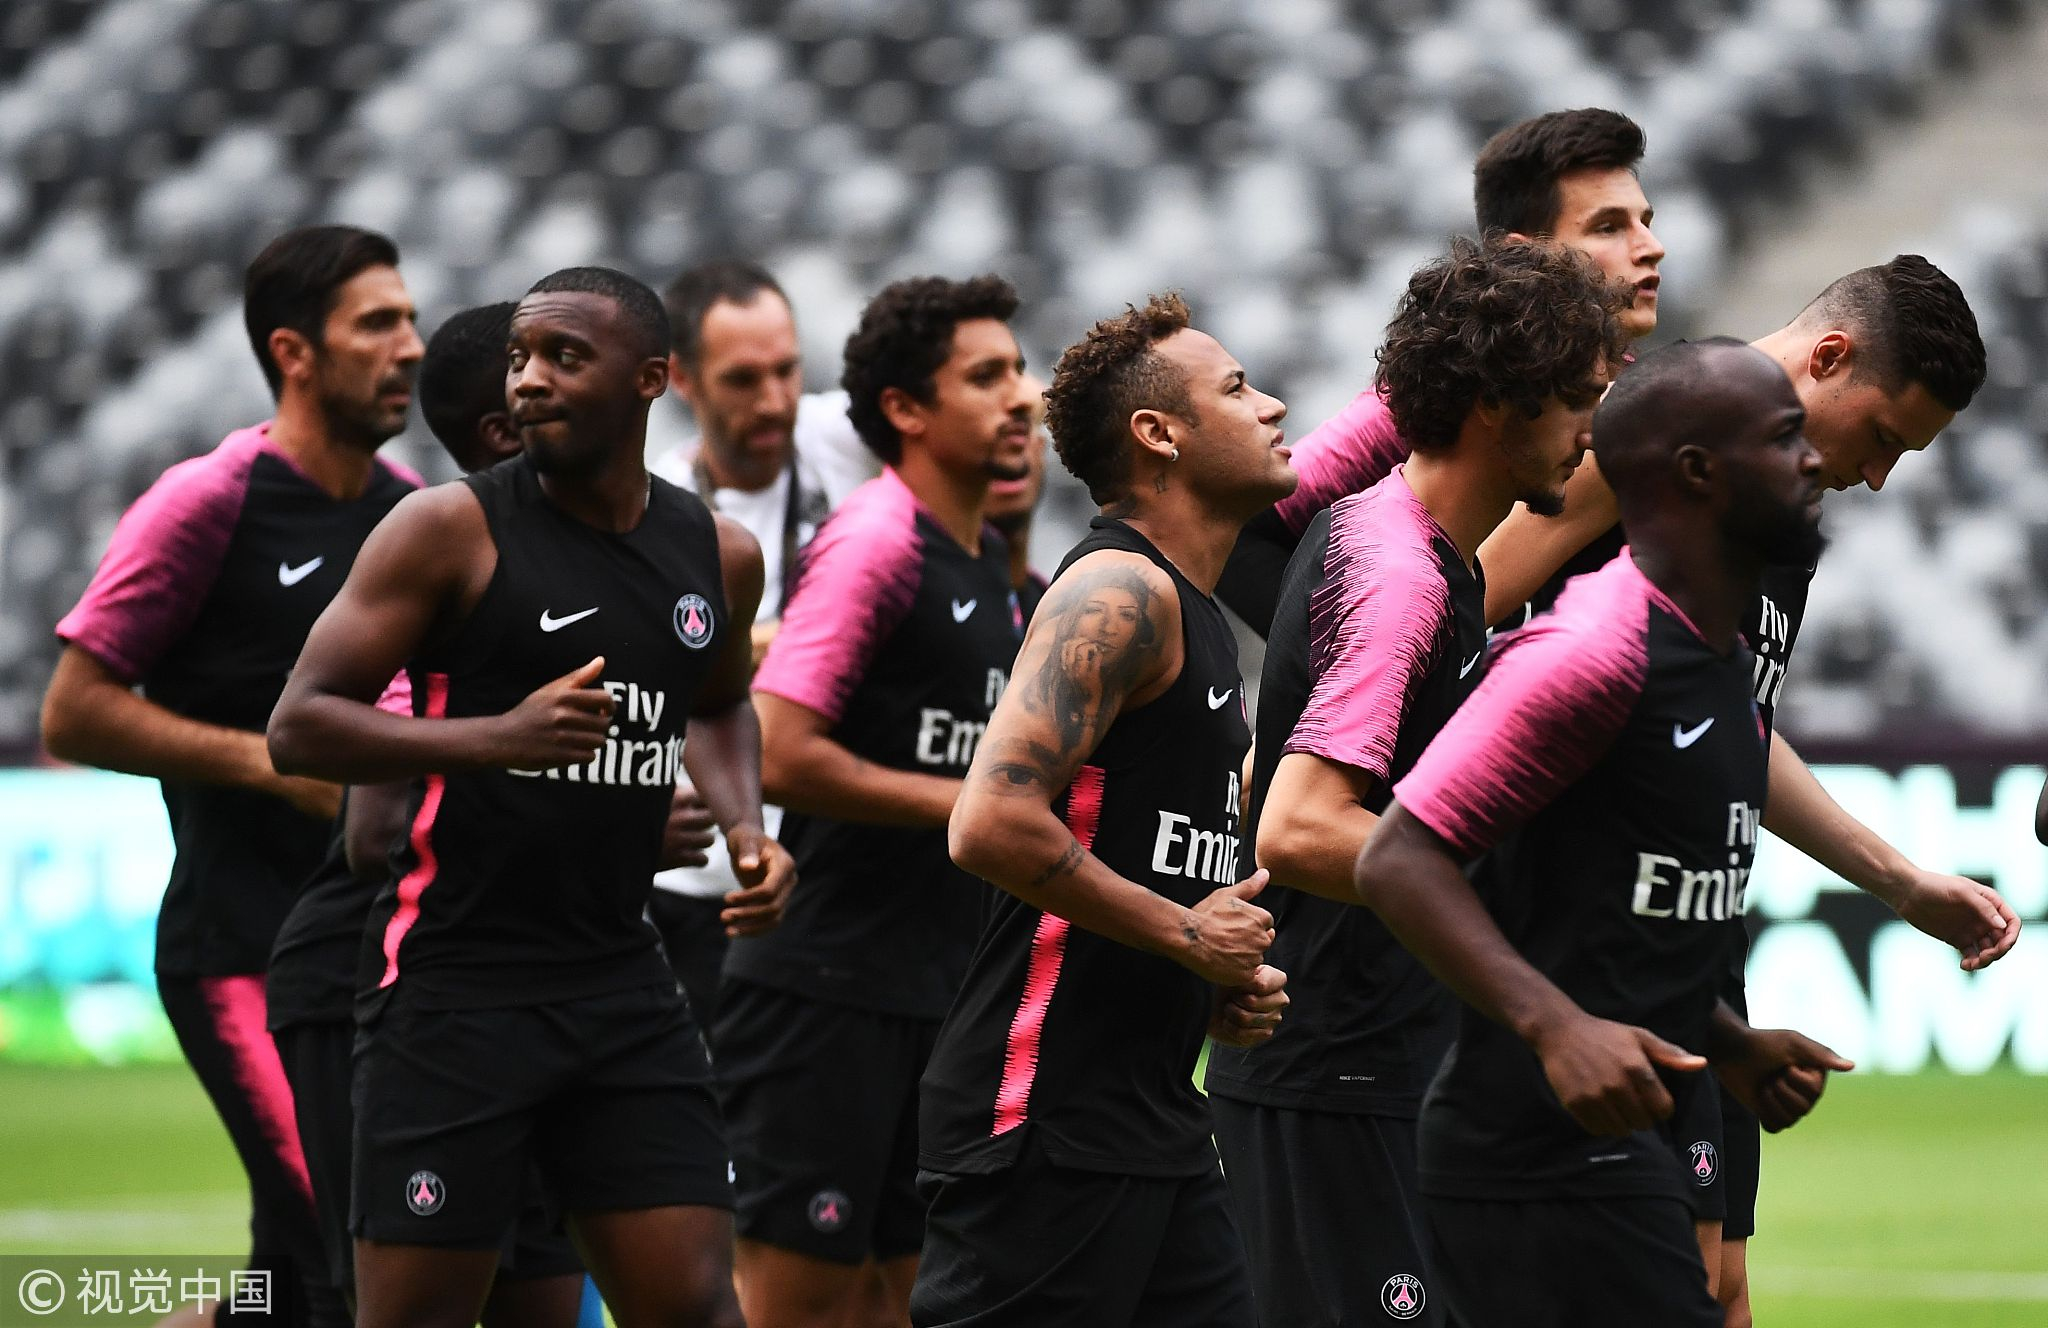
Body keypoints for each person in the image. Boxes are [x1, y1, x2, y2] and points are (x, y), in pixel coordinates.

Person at [1468, 256, 2017, 1325]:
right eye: (1882, 439)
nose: (1874, 477)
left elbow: (1730, 727)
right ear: (1826, 356)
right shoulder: (1645, 438)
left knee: (1720, 1286)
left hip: (1692, 945)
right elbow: (1466, 613)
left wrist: (1898, 880)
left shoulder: (1772, 499)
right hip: (1580, 944)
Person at [265, 267, 793, 1328]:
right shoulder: (448, 530)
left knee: (698, 1307)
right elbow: (300, 722)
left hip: (620, 983)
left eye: (563, 357)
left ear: (650, 380)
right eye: (518, 357)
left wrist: (745, 828)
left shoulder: (716, 554)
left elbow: (722, 702)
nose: (529, 381)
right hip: (454, 987)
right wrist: (494, 738)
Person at [1353, 339, 1857, 1327]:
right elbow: (1396, 855)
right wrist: (1554, 1027)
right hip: (1525, 1161)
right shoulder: (1594, 647)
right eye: (1782, 437)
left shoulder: (1716, 654)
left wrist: (1726, 1044)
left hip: (1623, 1137)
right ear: (1696, 473)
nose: (1811, 463)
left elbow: (1580, 915)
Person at [1205, 238, 1626, 1328]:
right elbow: (1296, 828)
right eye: (1576, 401)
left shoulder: (1418, 549)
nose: (1591, 437)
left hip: (1369, 1062)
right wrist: (1496, 897)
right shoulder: (1396, 574)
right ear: (1496, 403)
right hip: (1333, 1072)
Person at [42, 224, 425, 1328]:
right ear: (293, 351)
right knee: (351, 1254)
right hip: (238, 956)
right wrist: (274, 765)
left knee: (297, 1283)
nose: (408, 344)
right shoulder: (207, 500)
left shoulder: (408, 512)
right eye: (377, 322)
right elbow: (77, 709)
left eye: (408, 317)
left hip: (372, 958)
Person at [913, 293, 1297, 1327]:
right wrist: (1186, 933)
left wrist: (1203, 975)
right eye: (1233, 388)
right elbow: (987, 821)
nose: (1269, 405)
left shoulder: (1198, 616)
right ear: (1157, 432)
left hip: (1152, 1114)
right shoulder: (1118, 592)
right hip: (1041, 1118)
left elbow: (1131, 845)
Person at [266, 301, 596, 1328]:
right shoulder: (448, 567)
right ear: (505, 428)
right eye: (544, 366)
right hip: (372, 973)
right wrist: (508, 745)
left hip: (512, 981)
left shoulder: (584, 572)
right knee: (346, 1292)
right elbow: (374, 832)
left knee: (538, 1281)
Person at [718, 274, 1037, 1328]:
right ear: (904, 408)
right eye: (985, 376)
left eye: (1017, 369)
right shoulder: (874, 541)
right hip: (827, 988)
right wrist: (969, 803)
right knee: (797, 1302)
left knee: (911, 1298)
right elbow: (776, 745)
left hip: (933, 985)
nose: (1020, 397)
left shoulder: (984, 558)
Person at [1216, 106, 1664, 632]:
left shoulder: (1638, 386)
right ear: (1520, 254)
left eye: (1645, 223)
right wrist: (1362, 663)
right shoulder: (1461, 386)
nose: (1650, 248)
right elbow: (1242, 527)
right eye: (1609, 227)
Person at [645, 261, 880, 1031]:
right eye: (744, 379)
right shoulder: (651, 500)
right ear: (681, 378)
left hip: (837, 870)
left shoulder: (846, 437)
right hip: (702, 876)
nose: (775, 400)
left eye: (787, 370)